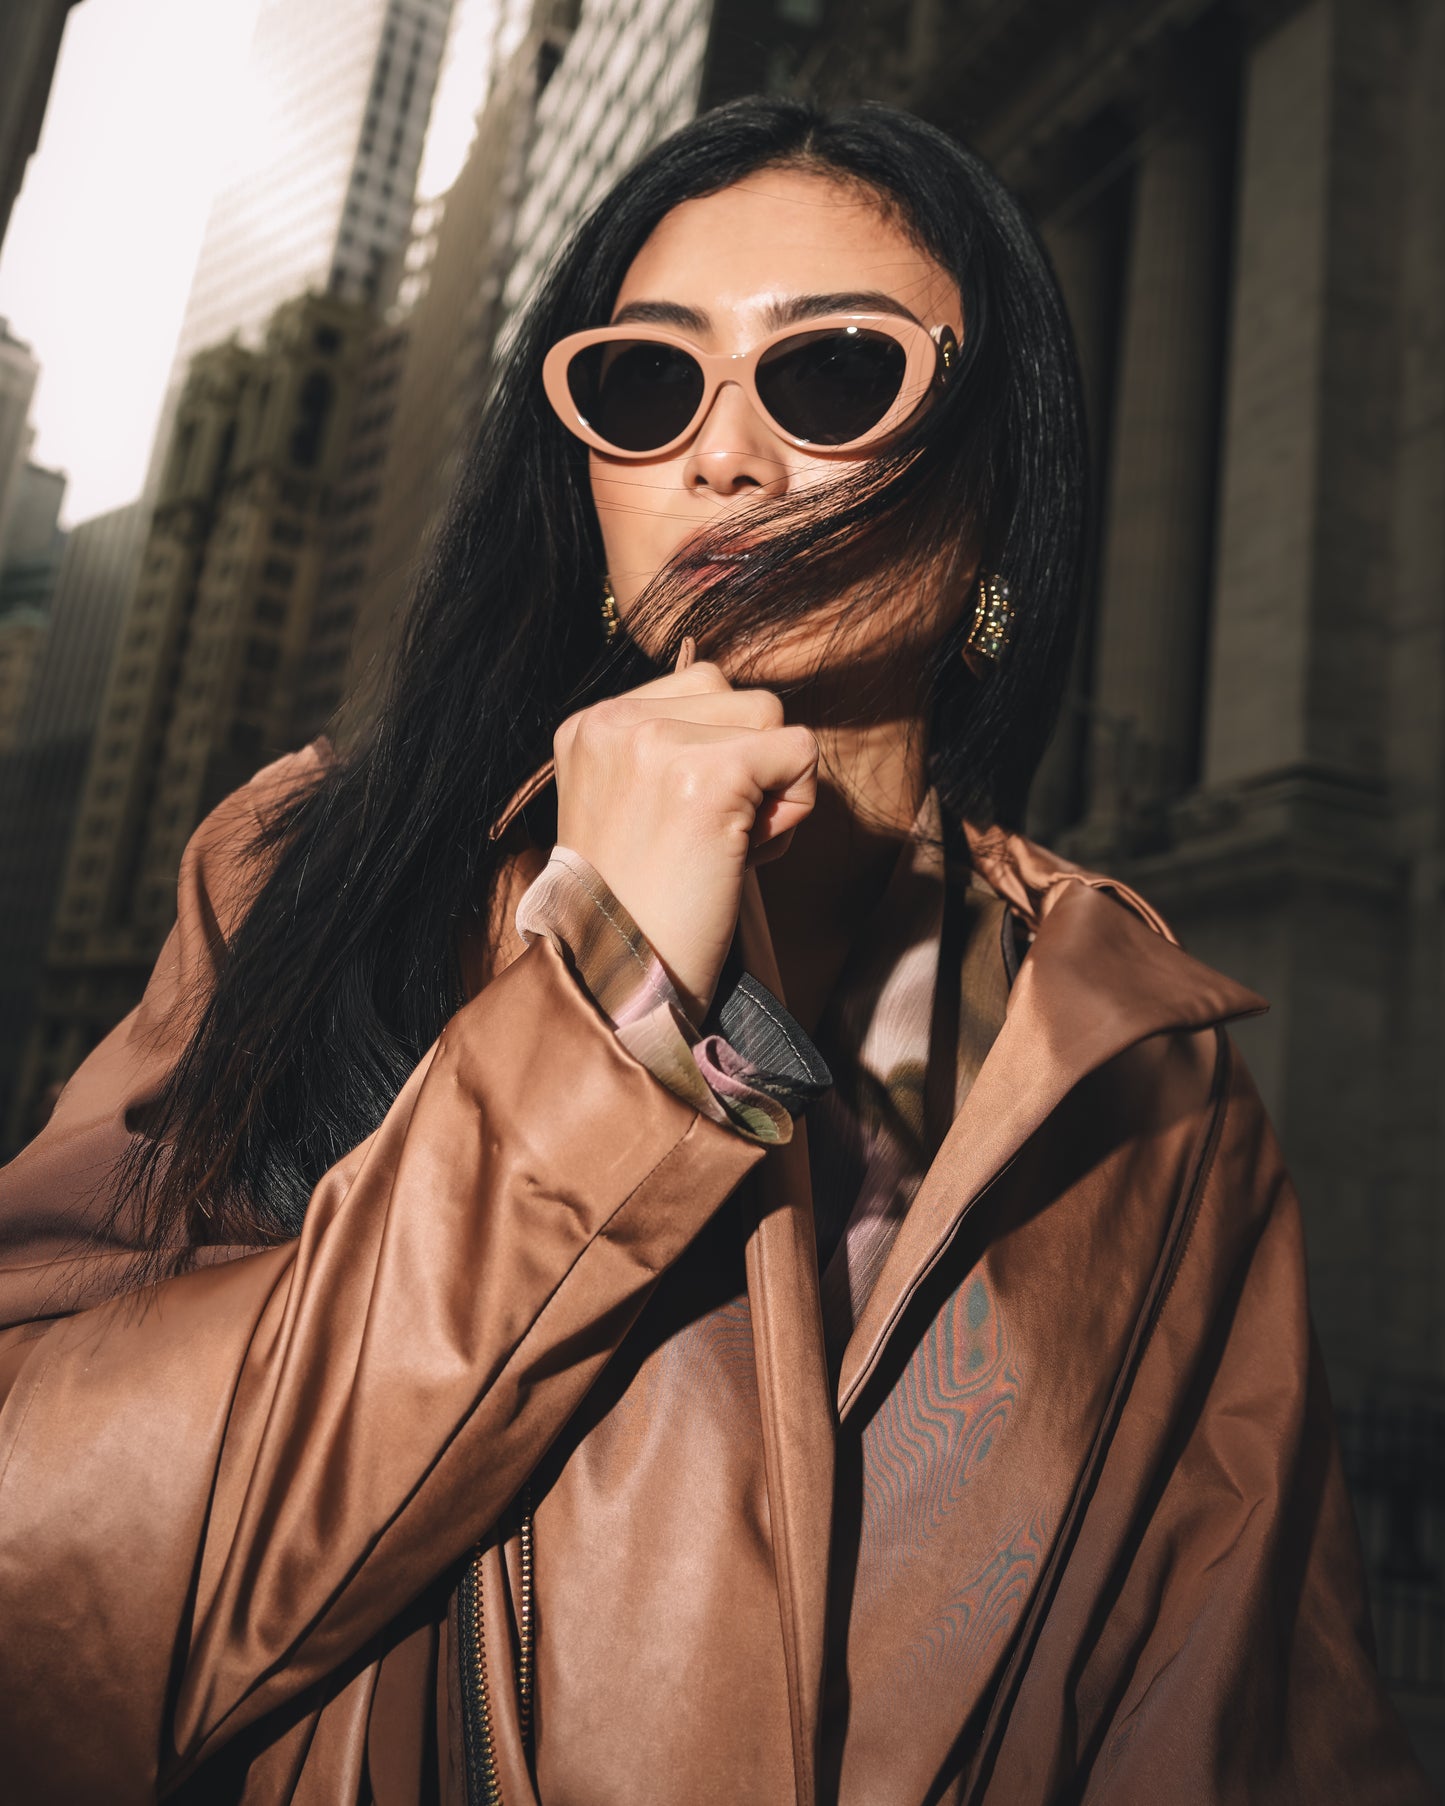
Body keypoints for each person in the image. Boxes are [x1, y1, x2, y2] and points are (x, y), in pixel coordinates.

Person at [0, 95, 1430, 1806]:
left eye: (828, 375)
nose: (722, 457)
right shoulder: (312, 869)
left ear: (993, 498)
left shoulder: (1147, 1071)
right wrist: (602, 1021)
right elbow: (41, 1576)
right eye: (645, 384)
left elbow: (1239, 1729)